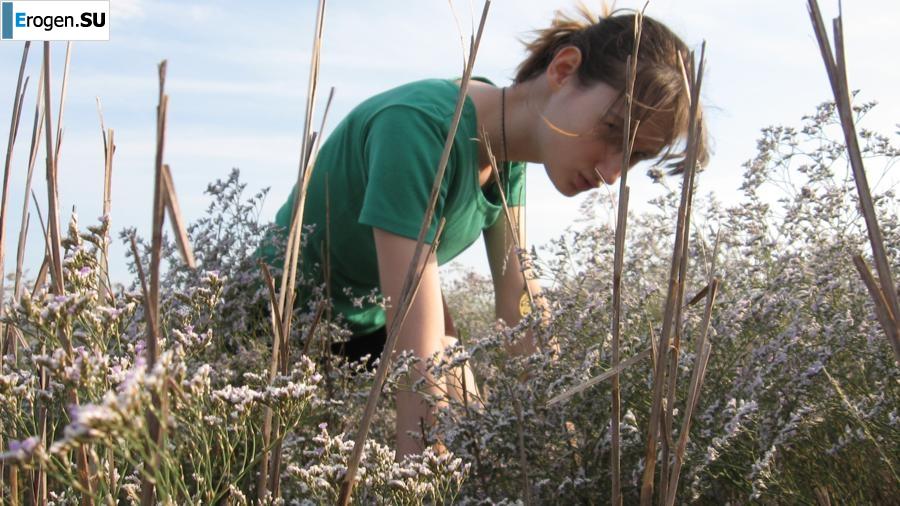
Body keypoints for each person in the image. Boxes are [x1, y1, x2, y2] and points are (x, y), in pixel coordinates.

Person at [258, 5, 708, 458]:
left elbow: (519, 303)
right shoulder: (418, 129)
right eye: (614, 130)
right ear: (564, 69)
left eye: (633, 157)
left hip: (366, 321)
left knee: (468, 416)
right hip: (273, 323)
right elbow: (417, 360)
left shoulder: (508, 152)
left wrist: (562, 448)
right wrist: (417, 482)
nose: (612, 172)